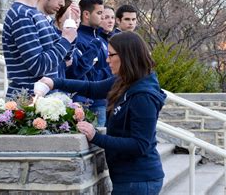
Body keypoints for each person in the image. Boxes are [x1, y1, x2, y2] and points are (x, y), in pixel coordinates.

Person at [38, 32, 166, 195]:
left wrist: (96, 137)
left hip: (138, 181)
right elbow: (92, 88)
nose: (107, 60)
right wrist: (54, 82)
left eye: (111, 55)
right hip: (128, 179)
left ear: (127, 56)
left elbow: (140, 145)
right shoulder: (124, 81)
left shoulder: (143, 97)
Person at [2, 0, 77, 98]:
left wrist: (70, 26)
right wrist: (66, 39)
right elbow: (38, 66)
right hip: (27, 104)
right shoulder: (21, 15)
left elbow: (66, 58)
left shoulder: (36, 14)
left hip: (45, 101)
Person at [73, 0, 112, 126]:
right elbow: (83, 71)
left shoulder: (101, 38)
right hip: (86, 101)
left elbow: (104, 65)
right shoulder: (78, 38)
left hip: (103, 99)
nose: (103, 17)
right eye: (99, 13)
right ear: (86, 14)